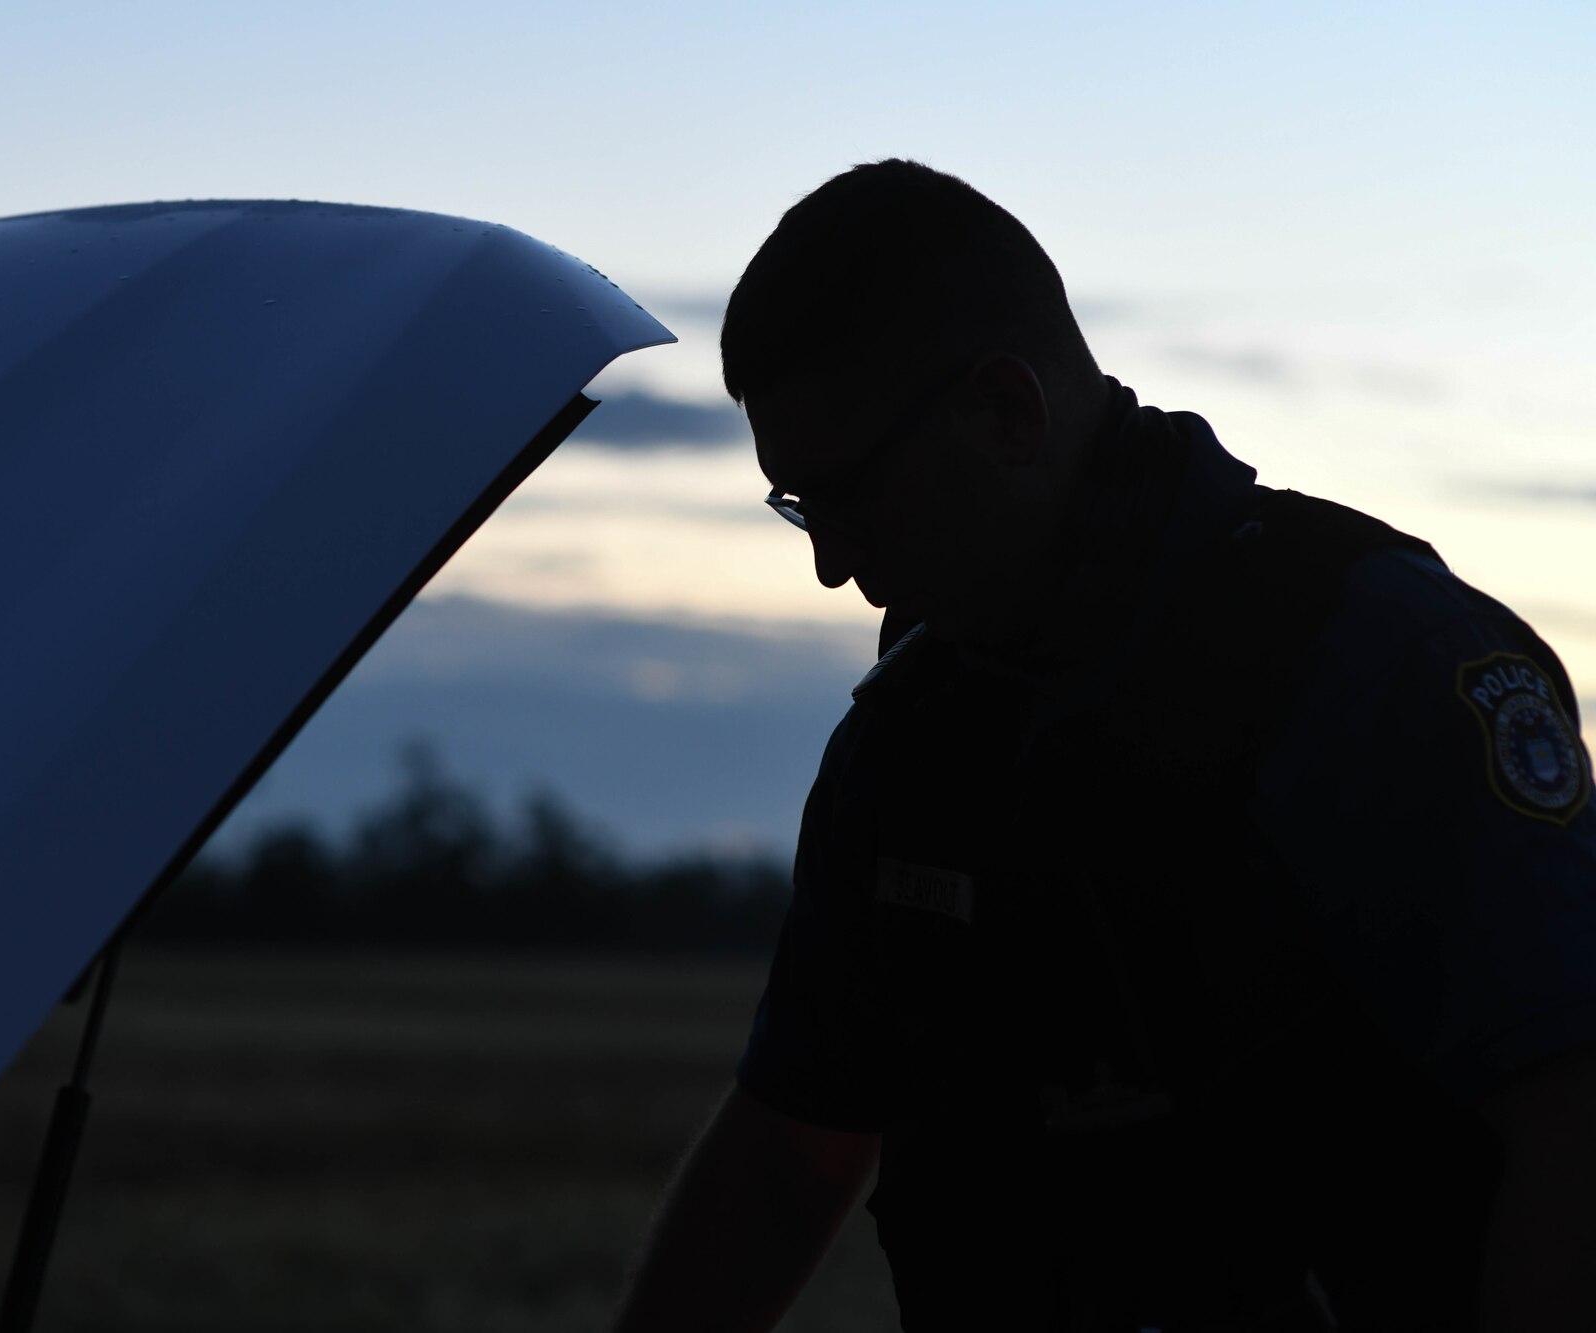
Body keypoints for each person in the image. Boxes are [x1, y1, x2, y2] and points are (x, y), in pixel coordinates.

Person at [608, 159, 1596, 1332]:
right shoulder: (912, 739)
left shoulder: (1375, 663)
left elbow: (1570, 1111)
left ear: (1005, 412)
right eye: (798, 510)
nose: (830, 564)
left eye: (849, 497)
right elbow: (788, 1153)